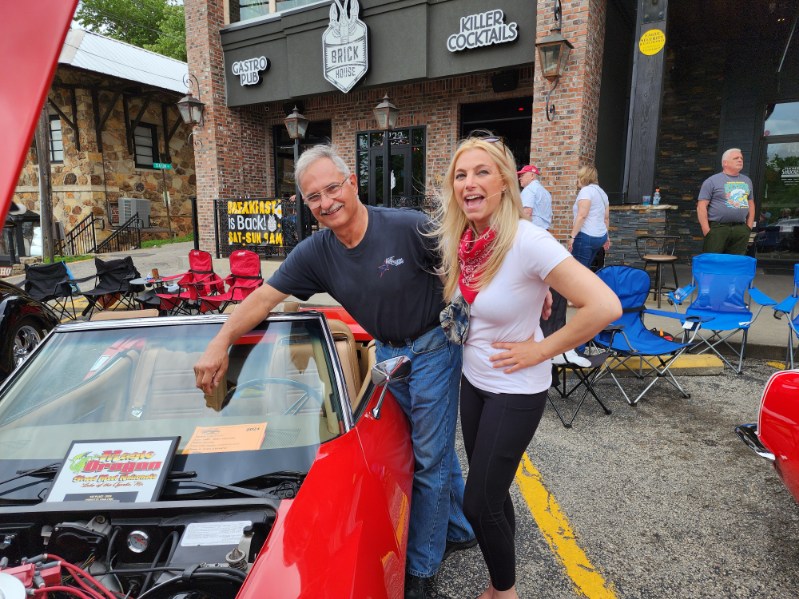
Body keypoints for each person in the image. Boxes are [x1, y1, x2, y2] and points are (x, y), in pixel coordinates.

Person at [193, 144, 475, 599]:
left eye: (332, 188)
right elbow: (263, 299)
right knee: (432, 446)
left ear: (352, 184)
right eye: (313, 198)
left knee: (429, 458)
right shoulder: (316, 253)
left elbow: (469, 256)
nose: (326, 203)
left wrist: (526, 291)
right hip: (387, 353)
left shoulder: (406, 227)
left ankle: (422, 573)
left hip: (433, 347)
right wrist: (219, 340)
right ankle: (460, 528)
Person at [432, 135, 621, 599]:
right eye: (460, 175)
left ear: (504, 182)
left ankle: (506, 593)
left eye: (481, 172)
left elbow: (604, 305)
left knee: (477, 503)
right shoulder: (467, 240)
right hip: (475, 383)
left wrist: (542, 350)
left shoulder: (528, 240)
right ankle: (502, 581)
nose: (469, 183)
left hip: (515, 391)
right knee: (491, 493)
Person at [697, 148, 755, 255]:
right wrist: (706, 230)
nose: (740, 160)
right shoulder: (712, 181)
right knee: (713, 261)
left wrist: (748, 227)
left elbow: (751, 204)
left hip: (740, 229)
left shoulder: (747, 180)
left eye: (741, 158)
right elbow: (701, 206)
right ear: (725, 163)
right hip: (718, 228)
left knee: (735, 263)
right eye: (736, 158)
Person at [567, 165, 610, 268]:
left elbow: (582, 215)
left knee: (578, 271)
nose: (577, 180)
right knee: (586, 269)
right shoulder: (602, 192)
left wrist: (572, 236)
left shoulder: (586, 191)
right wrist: (607, 237)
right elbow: (606, 218)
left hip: (586, 236)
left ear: (584, 177)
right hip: (600, 236)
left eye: (579, 177)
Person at [517, 164, 552, 230]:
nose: (519, 178)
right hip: (544, 231)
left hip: (532, 230)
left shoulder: (529, 189)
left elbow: (527, 212)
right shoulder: (546, 192)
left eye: (522, 175)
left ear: (532, 176)